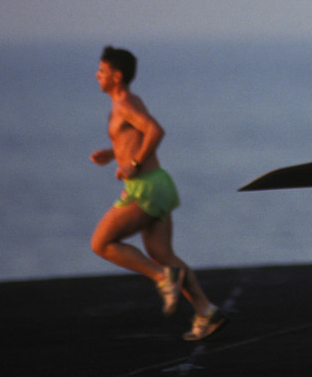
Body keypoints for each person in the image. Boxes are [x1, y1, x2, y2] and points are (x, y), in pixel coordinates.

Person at [89, 46, 226, 341]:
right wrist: (113, 154)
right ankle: (206, 312)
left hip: (146, 187)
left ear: (117, 75)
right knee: (163, 253)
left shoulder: (125, 103)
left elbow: (155, 131)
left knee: (101, 243)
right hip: (158, 184)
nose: (96, 75)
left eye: (101, 71)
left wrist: (134, 165)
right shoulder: (128, 101)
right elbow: (134, 136)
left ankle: (162, 278)